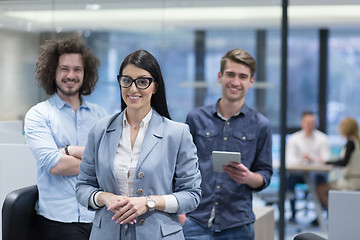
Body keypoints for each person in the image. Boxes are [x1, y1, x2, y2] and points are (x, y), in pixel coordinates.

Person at [75, 49, 202, 240]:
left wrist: (149, 202)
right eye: (127, 80)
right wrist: (105, 197)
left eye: (142, 82)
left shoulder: (177, 133)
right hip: (107, 234)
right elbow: (83, 187)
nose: (133, 89)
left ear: (155, 87)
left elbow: (192, 196)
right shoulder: (99, 130)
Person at [182, 49, 273, 240]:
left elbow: (265, 174)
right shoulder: (196, 118)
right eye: (230, 74)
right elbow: (180, 169)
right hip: (196, 221)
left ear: (251, 82)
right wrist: (181, 216)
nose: (235, 82)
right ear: (220, 76)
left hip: (238, 225)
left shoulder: (261, 125)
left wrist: (248, 177)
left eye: (243, 76)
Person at [24, 36, 108, 240]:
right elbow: (55, 165)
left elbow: (112, 162)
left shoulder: (101, 115)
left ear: (85, 73)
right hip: (58, 222)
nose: (71, 75)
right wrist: (95, 159)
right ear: (52, 72)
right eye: (64, 68)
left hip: (98, 218)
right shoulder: (38, 115)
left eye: (77, 69)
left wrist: (69, 150)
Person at [285, 111, 330, 223]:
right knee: (289, 183)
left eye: (313, 122)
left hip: (317, 174)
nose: (311, 125)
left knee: (322, 184)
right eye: (308, 122)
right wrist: (302, 158)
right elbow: (289, 159)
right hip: (297, 174)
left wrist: (312, 159)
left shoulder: (322, 138)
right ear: (302, 123)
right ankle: (293, 214)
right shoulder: (294, 139)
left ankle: (320, 216)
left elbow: (326, 159)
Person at [317, 117, 360, 208]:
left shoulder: (351, 143)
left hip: (351, 181)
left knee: (321, 189)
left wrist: (326, 162)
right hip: (354, 179)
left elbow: (344, 162)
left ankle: (334, 211)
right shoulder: (356, 142)